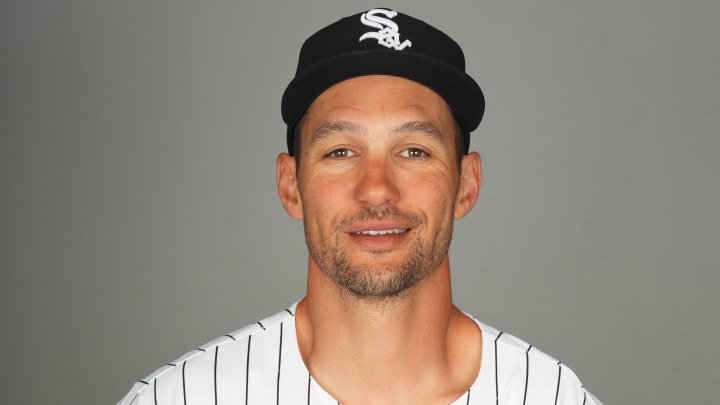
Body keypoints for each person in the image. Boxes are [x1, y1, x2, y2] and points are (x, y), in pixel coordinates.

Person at [118, 8, 601, 404]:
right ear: (291, 186)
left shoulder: (552, 395)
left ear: (466, 185)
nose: (376, 189)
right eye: (340, 152)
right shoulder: (182, 397)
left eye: (414, 151)